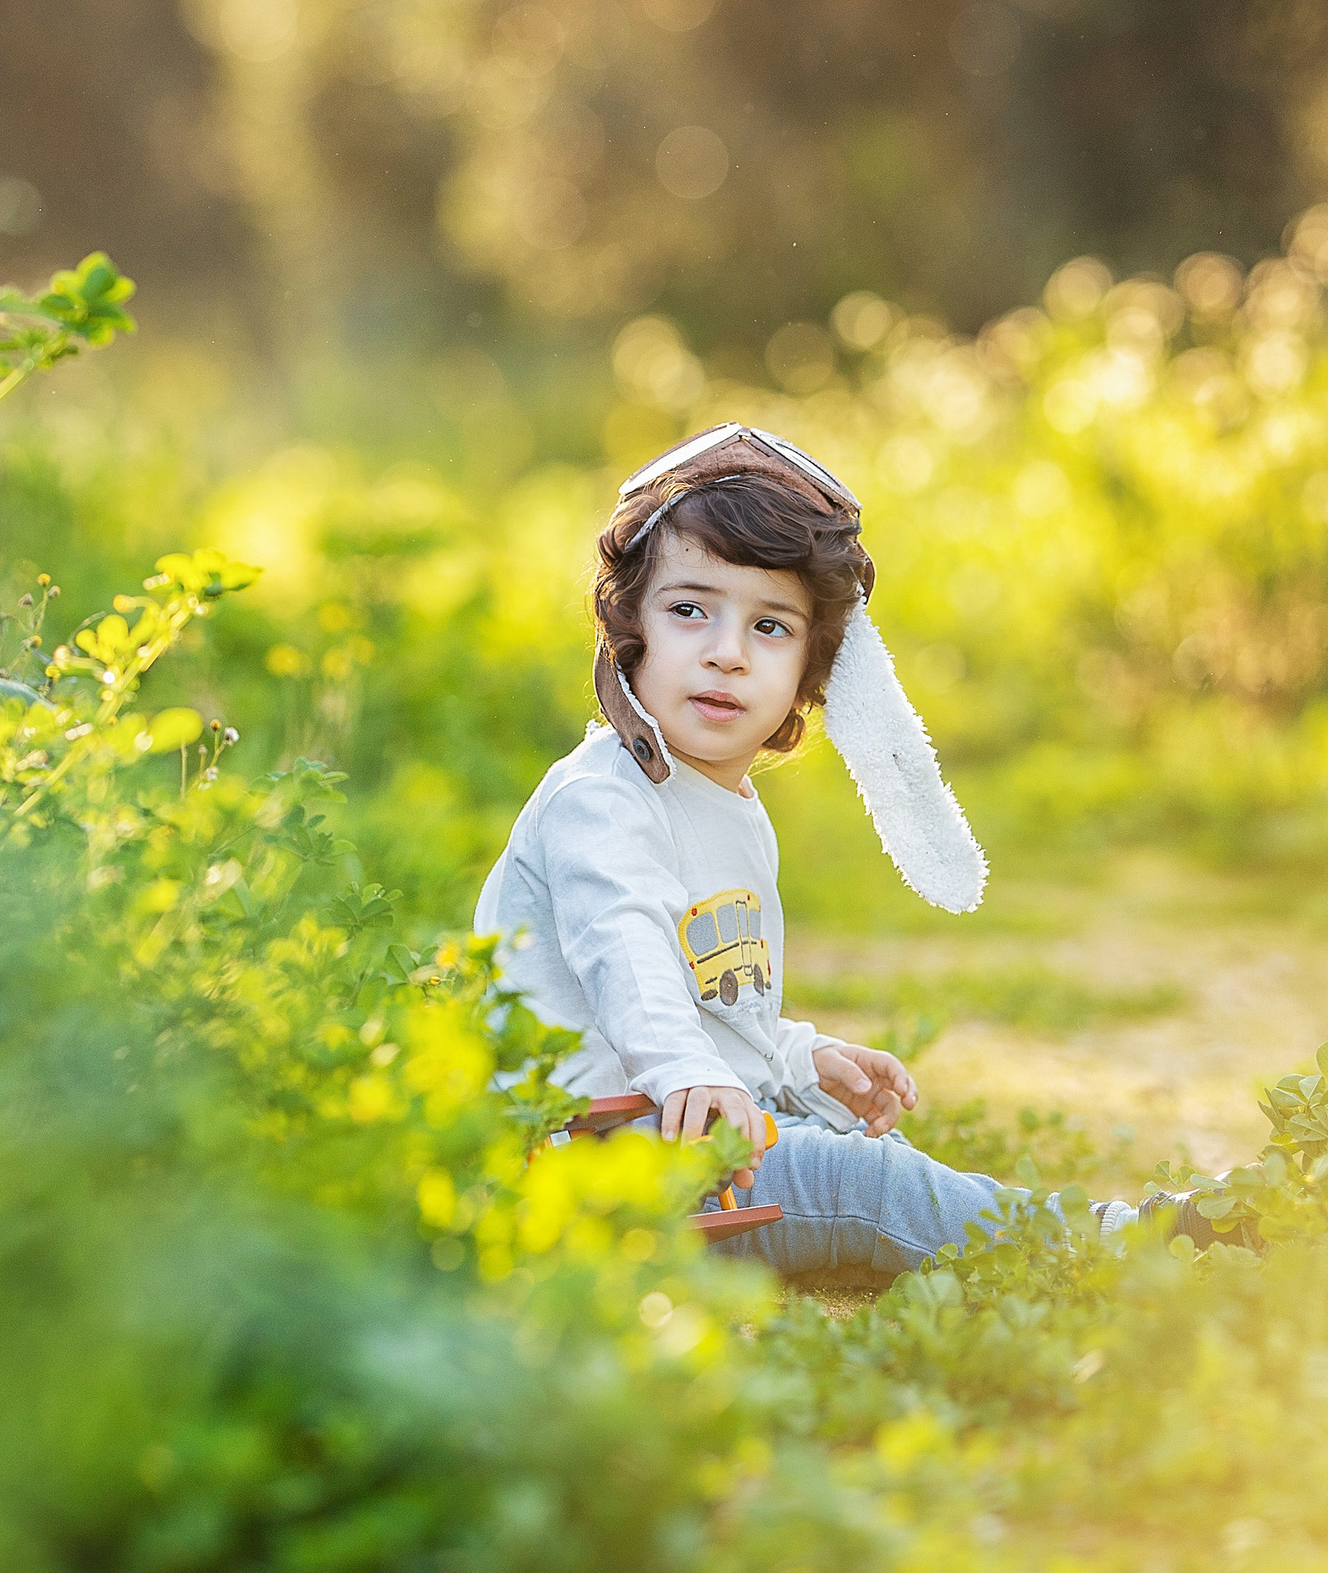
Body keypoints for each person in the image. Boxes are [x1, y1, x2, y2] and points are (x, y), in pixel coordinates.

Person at [473, 424, 1228, 1277]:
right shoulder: (600, 801)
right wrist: (683, 1068)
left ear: (812, 669)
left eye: (769, 626)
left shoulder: (728, 804)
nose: (725, 651)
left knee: (857, 1158)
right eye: (690, 610)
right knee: (863, 1181)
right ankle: (1113, 1246)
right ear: (632, 625)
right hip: (597, 1165)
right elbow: (625, 950)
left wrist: (803, 1061)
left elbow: (723, 1008)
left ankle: (1087, 1236)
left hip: (689, 1142)